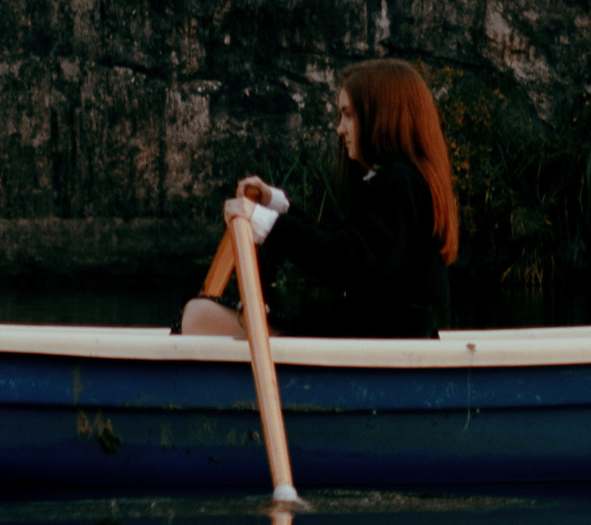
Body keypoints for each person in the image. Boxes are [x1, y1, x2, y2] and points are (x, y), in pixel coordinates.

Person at [180, 56, 459, 344]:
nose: (340, 129)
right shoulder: (406, 183)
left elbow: (344, 260)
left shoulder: (399, 184)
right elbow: (346, 243)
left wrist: (266, 223)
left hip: (369, 340)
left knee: (197, 315)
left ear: (381, 115)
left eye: (349, 115)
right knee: (201, 314)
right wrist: (276, 206)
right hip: (366, 335)